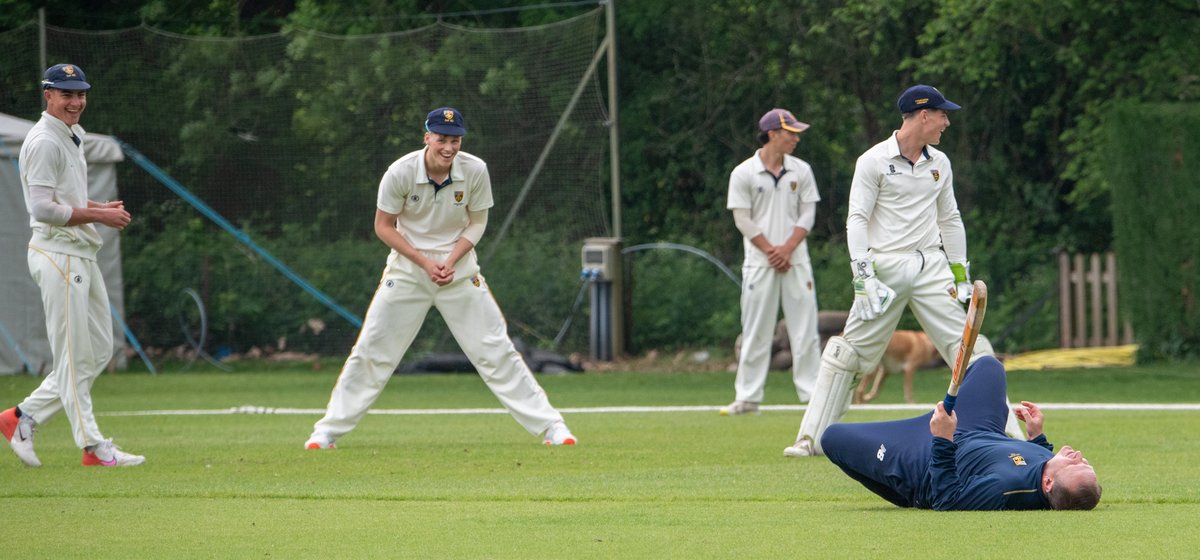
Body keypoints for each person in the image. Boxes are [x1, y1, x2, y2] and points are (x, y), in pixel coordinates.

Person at [304, 107, 577, 449]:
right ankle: (327, 431)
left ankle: (553, 428)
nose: (449, 147)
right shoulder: (400, 172)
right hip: (407, 273)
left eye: (455, 140)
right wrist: (423, 262)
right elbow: (383, 227)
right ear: (427, 137)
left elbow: (477, 223)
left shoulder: (475, 170)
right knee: (372, 350)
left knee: (496, 351)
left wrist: (449, 260)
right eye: (442, 139)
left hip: (459, 273)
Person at [783, 85, 1021, 456]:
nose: (946, 121)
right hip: (885, 269)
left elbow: (951, 218)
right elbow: (857, 219)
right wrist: (863, 277)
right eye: (942, 114)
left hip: (931, 267)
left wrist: (960, 274)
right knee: (849, 356)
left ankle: (1010, 436)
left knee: (973, 349)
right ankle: (810, 439)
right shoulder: (873, 161)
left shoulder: (939, 163)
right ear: (923, 115)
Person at [0, 63, 144, 467]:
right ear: (48, 95)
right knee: (71, 354)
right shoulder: (44, 141)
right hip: (58, 253)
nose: (76, 102)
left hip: (80, 252)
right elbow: (42, 208)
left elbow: (65, 197)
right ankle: (93, 447)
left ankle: (22, 417)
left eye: (80, 94)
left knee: (97, 350)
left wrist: (98, 207)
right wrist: (98, 217)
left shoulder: (72, 135)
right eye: (67, 94)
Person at [821, 356, 1101, 510]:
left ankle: (903, 491)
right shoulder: (1047, 470)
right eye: (1085, 462)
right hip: (977, 426)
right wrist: (1036, 437)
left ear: (1049, 484)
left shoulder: (1005, 488)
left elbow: (947, 499)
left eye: (1074, 464)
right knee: (989, 366)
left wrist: (942, 439)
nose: (1078, 456)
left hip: (924, 457)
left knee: (832, 437)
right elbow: (1036, 461)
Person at [719, 109, 822, 416]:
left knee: (805, 329)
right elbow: (742, 219)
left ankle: (812, 394)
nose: (796, 139)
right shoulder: (743, 173)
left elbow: (808, 214)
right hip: (760, 262)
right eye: (790, 133)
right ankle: (748, 398)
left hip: (796, 260)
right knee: (755, 330)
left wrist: (788, 249)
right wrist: (771, 251)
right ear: (773, 134)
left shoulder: (801, 170)